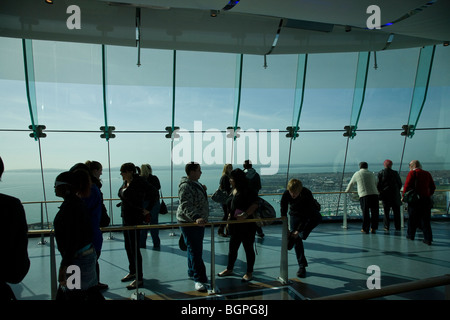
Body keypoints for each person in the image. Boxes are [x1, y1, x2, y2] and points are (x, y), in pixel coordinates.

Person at [53, 170, 103, 300]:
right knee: (88, 292)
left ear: (66, 187)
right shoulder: (77, 204)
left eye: (56, 184)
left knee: (73, 295)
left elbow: (73, 239)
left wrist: (64, 265)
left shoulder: (71, 207)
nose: (54, 187)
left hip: (76, 261)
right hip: (84, 257)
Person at [118, 162, 158, 290]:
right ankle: (132, 271)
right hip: (125, 217)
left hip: (135, 218)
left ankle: (139, 278)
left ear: (129, 171)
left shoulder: (139, 181)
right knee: (128, 246)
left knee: (135, 248)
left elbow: (154, 193)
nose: (121, 174)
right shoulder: (126, 182)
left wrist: (148, 209)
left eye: (122, 172)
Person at [218, 168, 259, 282]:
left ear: (237, 179)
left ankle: (249, 272)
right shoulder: (233, 189)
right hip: (234, 224)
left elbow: (255, 204)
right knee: (232, 248)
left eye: (231, 178)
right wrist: (228, 222)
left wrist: (245, 215)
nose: (230, 180)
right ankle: (229, 269)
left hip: (247, 225)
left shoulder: (248, 190)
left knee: (248, 248)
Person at [176, 162, 209, 292]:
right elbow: (185, 205)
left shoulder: (195, 184)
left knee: (192, 248)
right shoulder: (185, 186)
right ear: (192, 172)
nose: (201, 172)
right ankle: (199, 279)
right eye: (199, 170)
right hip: (191, 222)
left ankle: (191, 271)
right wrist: (196, 217)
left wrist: (202, 190)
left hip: (193, 222)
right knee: (196, 250)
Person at [0, 156, 30, 300]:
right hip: (77, 257)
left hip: (73, 259)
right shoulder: (10, 206)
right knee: (74, 283)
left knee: (73, 282)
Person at [280, 179, 321, 278]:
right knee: (297, 240)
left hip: (310, 213)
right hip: (295, 214)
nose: (293, 195)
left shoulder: (306, 193)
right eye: (291, 192)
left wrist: (298, 231)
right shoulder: (286, 194)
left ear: (300, 190)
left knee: (315, 220)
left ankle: (299, 235)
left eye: (295, 193)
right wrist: (286, 229)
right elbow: (283, 212)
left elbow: (307, 214)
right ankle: (302, 266)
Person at [84, 160, 109, 290]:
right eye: (100, 170)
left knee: (79, 265)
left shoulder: (89, 191)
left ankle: (77, 291)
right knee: (92, 260)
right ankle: (92, 286)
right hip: (91, 233)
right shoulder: (93, 190)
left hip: (85, 236)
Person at [402, 160, 436, 245]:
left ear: (412, 166)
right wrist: (428, 194)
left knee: (412, 218)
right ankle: (428, 239)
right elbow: (433, 187)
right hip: (425, 199)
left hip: (415, 200)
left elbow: (406, 186)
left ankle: (410, 235)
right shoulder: (427, 173)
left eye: (409, 165)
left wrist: (404, 197)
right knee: (426, 220)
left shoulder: (412, 174)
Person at [345, 162, 379, 234]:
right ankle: (374, 228)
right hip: (375, 195)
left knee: (365, 213)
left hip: (364, 195)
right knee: (374, 212)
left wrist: (347, 191)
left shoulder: (357, 174)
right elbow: (376, 182)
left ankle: (365, 228)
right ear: (367, 167)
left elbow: (351, 184)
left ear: (360, 167)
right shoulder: (372, 174)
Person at [140, 163, 161, 249]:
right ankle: (156, 243)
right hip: (154, 204)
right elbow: (158, 188)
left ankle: (142, 244)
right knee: (154, 225)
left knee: (143, 225)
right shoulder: (154, 178)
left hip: (143, 204)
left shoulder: (140, 179)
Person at [377, 159, 402, 231]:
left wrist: (381, 192)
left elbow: (378, 185)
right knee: (397, 213)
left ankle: (386, 226)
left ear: (384, 165)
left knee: (386, 212)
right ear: (391, 165)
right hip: (395, 196)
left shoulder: (381, 173)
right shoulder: (395, 173)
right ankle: (398, 226)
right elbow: (399, 184)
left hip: (385, 196)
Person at [243, 160, 264, 238]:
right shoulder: (256, 175)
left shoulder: (243, 174)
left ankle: (246, 232)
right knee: (255, 215)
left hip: (244, 199)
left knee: (245, 215)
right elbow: (259, 187)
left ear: (244, 166)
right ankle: (259, 232)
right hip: (254, 198)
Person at [218, 163, 233, 237]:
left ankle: (227, 230)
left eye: (231, 167)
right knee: (226, 215)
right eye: (229, 168)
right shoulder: (225, 177)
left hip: (226, 199)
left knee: (227, 215)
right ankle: (221, 230)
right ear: (226, 169)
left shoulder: (226, 176)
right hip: (225, 199)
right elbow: (226, 189)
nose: (230, 169)